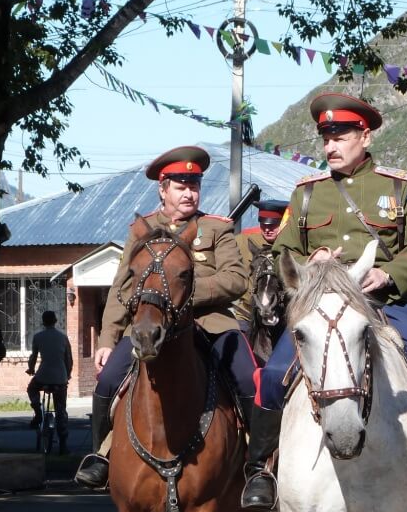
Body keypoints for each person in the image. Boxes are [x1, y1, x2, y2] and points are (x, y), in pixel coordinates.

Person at [240, 92, 407, 512]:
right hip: (320, 305)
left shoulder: (398, 187)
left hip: (385, 302)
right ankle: (260, 469)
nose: (330, 146)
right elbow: (281, 252)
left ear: (365, 136)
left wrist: (388, 274)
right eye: (325, 137)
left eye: (340, 136)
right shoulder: (306, 193)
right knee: (276, 371)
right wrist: (309, 261)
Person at [74, 146, 256, 490]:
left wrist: (181, 291)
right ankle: (100, 455)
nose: (189, 192)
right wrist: (107, 338)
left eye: (194, 185)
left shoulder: (215, 229)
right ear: (163, 188)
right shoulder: (142, 231)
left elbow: (235, 279)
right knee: (108, 381)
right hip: (148, 323)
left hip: (211, 323)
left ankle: (256, 463)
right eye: (180, 185)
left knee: (248, 379)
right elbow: (121, 286)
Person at [233, 198, 288, 329]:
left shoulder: (291, 244)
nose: (267, 229)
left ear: (284, 223)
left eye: (273, 225)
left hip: (283, 317)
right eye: (263, 224)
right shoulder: (243, 241)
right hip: (247, 315)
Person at [25, 310, 72, 454]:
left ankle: (38, 412)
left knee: (32, 388)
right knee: (61, 410)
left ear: (43, 321)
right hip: (60, 378)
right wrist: (67, 375)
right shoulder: (63, 338)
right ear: (55, 321)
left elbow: (33, 357)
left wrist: (31, 369)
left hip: (43, 376)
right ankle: (63, 444)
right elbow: (69, 359)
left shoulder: (38, 337)